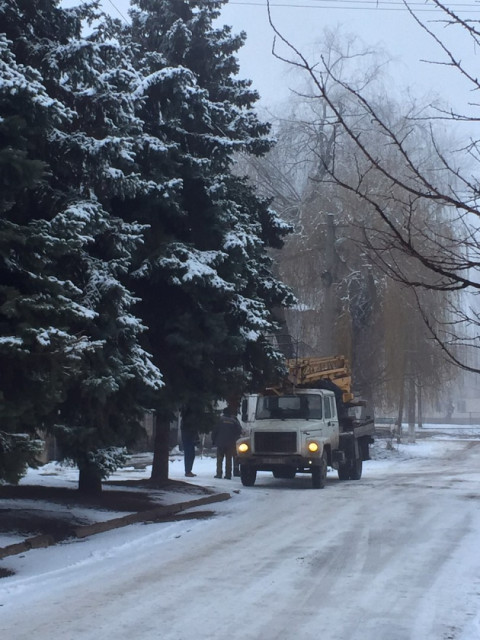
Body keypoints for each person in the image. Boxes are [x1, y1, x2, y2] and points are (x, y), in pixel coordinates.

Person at [211, 407, 242, 479]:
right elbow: (239, 431)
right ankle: (228, 474)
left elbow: (214, 431)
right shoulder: (234, 421)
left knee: (219, 459)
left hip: (220, 442)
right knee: (229, 459)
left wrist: (214, 440)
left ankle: (219, 474)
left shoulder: (219, 420)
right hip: (230, 443)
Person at [181, 407, 199, 478]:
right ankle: (187, 471)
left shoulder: (189, 420)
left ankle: (189, 470)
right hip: (188, 439)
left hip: (190, 439)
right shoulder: (186, 420)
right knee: (189, 455)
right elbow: (190, 430)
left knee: (191, 455)